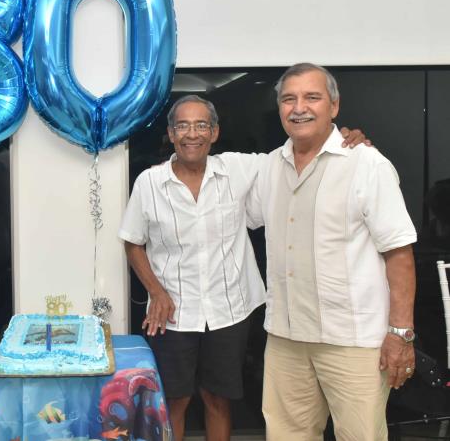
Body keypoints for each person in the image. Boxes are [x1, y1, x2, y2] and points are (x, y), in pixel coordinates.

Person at [119, 95, 367, 441]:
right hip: (173, 313)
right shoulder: (149, 182)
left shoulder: (238, 168)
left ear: (215, 132)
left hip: (229, 310)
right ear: (171, 134)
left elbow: (294, 150)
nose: (193, 134)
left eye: (202, 124)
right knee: (174, 400)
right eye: (184, 126)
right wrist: (156, 291)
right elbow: (133, 241)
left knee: (218, 399)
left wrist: (344, 139)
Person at [249, 63, 416, 440]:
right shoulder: (269, 168)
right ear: (279, 109)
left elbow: (399, 253)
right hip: (286, 340)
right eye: (288, 99)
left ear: (334, 107)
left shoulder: (366, 164)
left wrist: (401, 334)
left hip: (352, 343)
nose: (299, 107)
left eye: (312, 97)